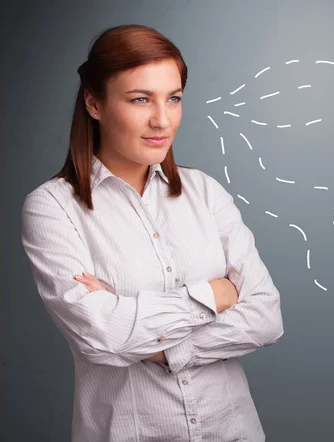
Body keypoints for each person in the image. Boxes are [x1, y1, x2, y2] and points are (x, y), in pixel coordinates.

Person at [20, 24, 284, 442]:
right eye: (140, 99)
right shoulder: (52, 208)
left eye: (174, 99)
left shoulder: (206, 193)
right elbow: (101, 338)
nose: (162, 120)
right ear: (94, 102)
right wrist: (213, 296)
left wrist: (157, 343)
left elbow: (267, 318)